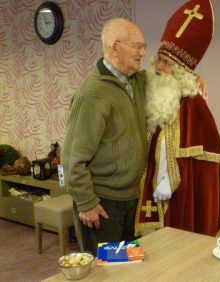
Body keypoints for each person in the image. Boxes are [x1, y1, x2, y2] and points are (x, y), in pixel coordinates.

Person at [134, 0, 220, 237]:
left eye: (168, 63)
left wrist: (167, 180)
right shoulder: (151, 85)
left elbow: (182, 150)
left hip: (176, 190)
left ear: (182, 70)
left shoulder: (192, 102)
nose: (160, 67)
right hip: (143, 180)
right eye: (159, 59)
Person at [62, 18, 149, 255]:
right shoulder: (92, 94)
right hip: (102, 204)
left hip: (129, 198)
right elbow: (71, 159)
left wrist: (194, 80)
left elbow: (168, 78)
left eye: (143, 46)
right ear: (113, 47)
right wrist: (87, 202)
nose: (142, 53)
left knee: (124, 268)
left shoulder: (137, 81)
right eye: (137, 46)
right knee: (104, 273)